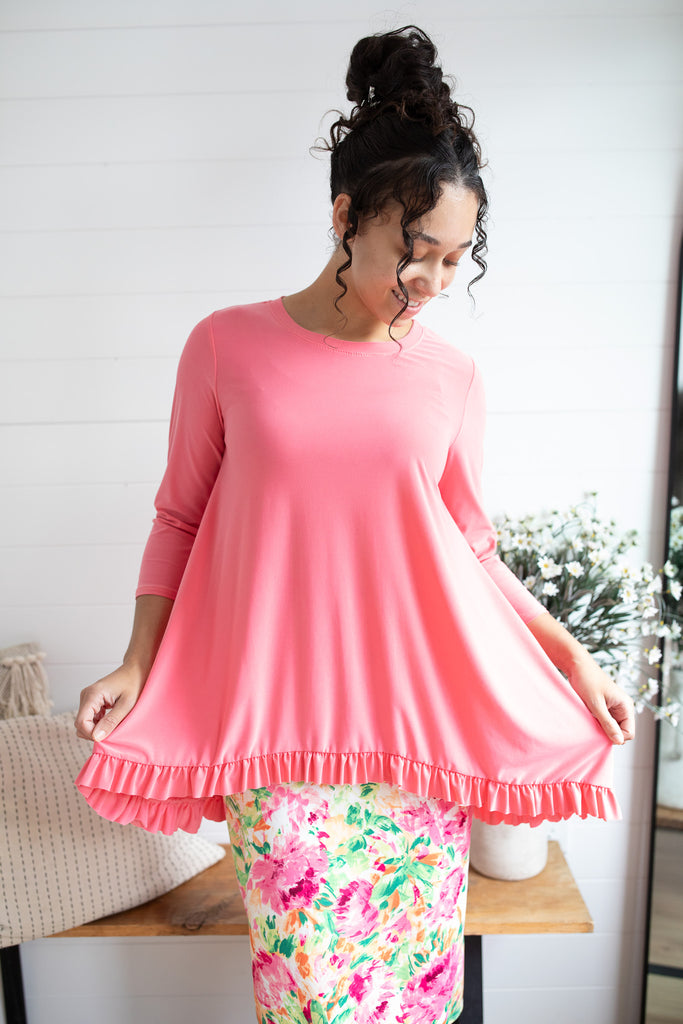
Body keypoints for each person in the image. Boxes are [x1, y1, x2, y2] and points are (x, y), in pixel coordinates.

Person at [75, 25, 635, 1024]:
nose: (434, 284)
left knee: (414, 997)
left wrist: (568, 656)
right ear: (345, 217)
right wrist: (136, 660)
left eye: (455, 261)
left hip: (416, 747)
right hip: (276, 743)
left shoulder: (451, 377)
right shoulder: (225, 346)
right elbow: (179, 516)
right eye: (416, 255)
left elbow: (468, 549)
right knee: (308, 997)